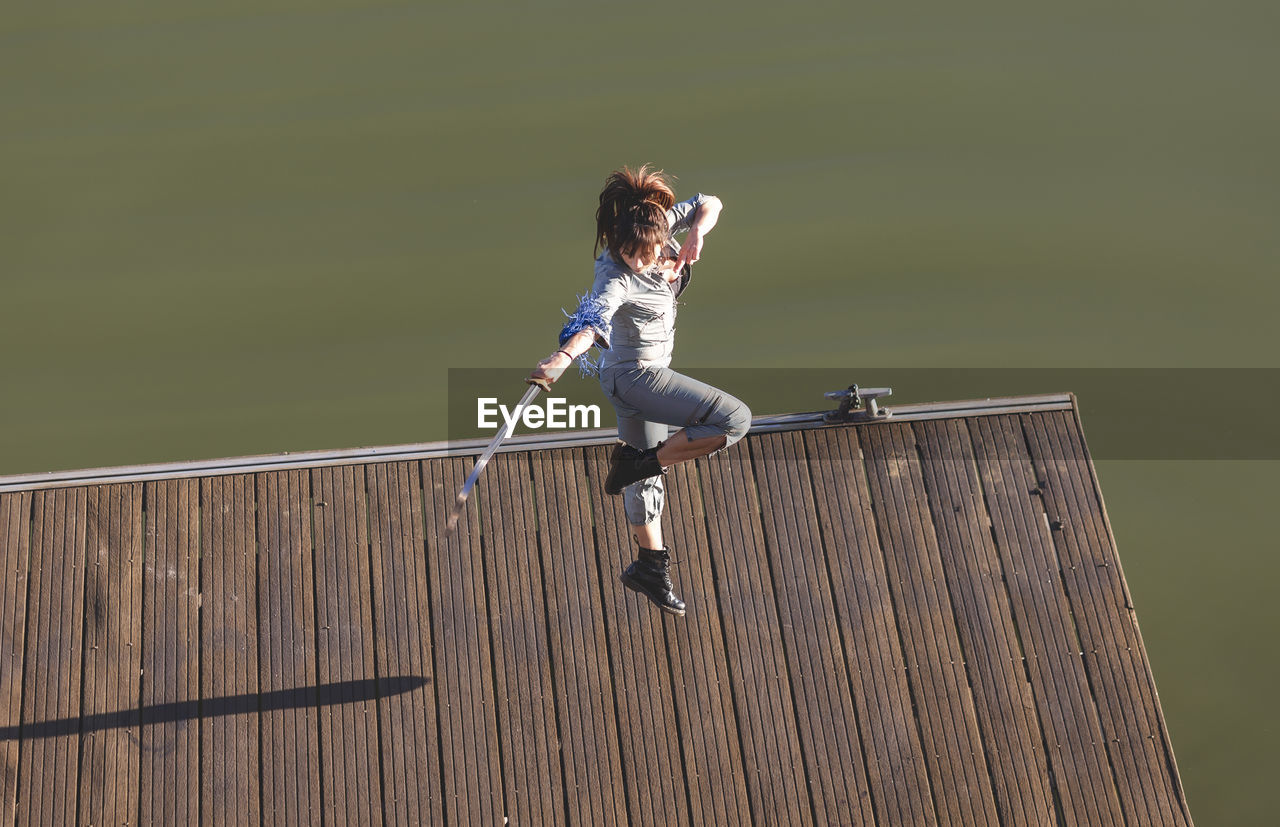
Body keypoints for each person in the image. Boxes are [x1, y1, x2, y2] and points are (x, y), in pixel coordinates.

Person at [528, 165, 752, 617]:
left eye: (644, 254)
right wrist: (562, 358)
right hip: (638, 377)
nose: (636, 262)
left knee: (644, 479)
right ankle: (637, 463)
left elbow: (711, 202)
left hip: (634, 378)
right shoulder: (614, 276)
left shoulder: (664, 227)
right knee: (735, 420)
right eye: (628, 254)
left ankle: (649, 566)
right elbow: (594, 318)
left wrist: (697, 236)